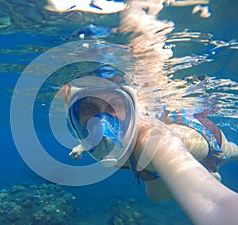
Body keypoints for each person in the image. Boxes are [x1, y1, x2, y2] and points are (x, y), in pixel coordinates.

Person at [62, 81, 238, 225]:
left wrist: (215, 202)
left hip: (210, 142)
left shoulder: (152, 139)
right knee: (154, 197)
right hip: (153, 168)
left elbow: (216, 204)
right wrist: (81, 146)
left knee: (232, 151)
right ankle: (204, 176)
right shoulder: (101, 136)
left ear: (133, 110)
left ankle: (206, 176)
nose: (101, 120)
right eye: (88, 108)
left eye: (115, 104)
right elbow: (98, 133)